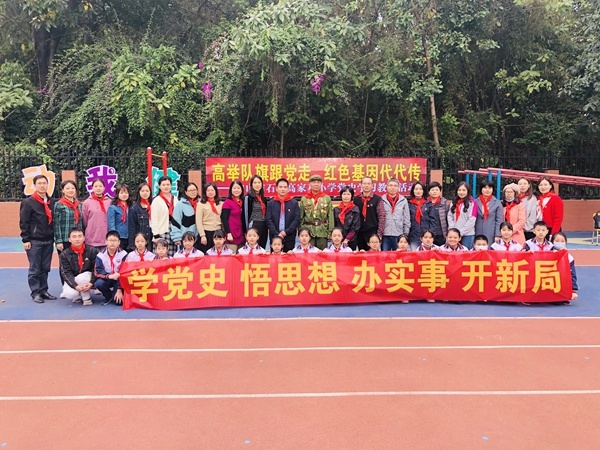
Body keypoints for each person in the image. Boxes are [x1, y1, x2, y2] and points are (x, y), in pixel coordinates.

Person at [20, 174, 56, 303]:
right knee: (35, 268)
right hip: (34, 240)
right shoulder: (28, 202)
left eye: (44, 183)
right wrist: (26, 239)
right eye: (39, 183)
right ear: (34, 186)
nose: (42, 186)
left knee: (45, 267)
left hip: (48, 239)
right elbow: (24, 222)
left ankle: (43, 290)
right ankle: (35, 292)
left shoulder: (52, 202)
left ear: (48, 185)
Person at [59, 227, 99, 306]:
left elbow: (96, 269)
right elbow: (66, 273)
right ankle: (79, 294)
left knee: (82, 278)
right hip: (74, 279)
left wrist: (91, 283)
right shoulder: (64, 255)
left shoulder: (92, 251)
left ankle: (86, 298)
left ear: (84, 238)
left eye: (80, 236)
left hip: (87, 277)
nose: (77, 239)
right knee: (69, 294)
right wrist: (75, 286)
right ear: (69, 239)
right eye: (74, 237)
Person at [53, 180, 83, 275]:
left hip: (77, 239)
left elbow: (81, 222)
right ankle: (66, 282)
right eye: (68, 188)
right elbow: (56, 223)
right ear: (63, 190)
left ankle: (75, 282)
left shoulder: (79, 204)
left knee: (77, 262)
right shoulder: (59, 204)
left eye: (73, 188)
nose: (70, 190)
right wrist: (58, 241)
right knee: (65, 264)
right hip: (65, 239)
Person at [299, 174, 334, 250]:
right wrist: (301, 231)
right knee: (309, 253)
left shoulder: (327, 198)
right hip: (308, 231)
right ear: (310, 184)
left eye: (318, 182)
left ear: (321, 184)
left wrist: (330, 232)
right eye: (314, 182)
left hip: (322, 231)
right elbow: (301, 217)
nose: (316, 184)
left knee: (322, 253)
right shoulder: (304, 199)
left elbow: (330, 217)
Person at [266, 178, 300, 253]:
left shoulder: (294, 203)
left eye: (285, 187)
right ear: (276, 188)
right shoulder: (271, 203)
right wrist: (277, 234)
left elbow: (297, 219)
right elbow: (268, 220)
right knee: (275, 258)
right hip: (274, 237)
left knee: (289, 257)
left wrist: (286, 232)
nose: (283, 189)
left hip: (289, 236)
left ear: (288, 189)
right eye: (280, 187)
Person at [94, 231, 127, 305]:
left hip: (119, 279)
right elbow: (97, 272)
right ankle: (108, 296)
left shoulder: (124, 254)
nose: (112, 243)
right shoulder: (100, 255)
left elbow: (125, 272)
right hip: (107, 278)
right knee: (99, 283)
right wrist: (109, 276)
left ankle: (116, 293)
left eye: (115, 240)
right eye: (110, 240)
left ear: (119, 242)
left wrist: (119, 289)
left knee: (119, 302)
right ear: (106, 242)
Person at [354, 177, 385, 251]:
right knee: (362, 254)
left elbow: (382, 217)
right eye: (364, 183)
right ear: (361, 185)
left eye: (368, 183)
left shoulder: (377, 199)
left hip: (373, 231)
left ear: (372, 185)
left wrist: (379, 234)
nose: (366, 185)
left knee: (373, 254)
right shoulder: (356, 199)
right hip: (360, 232)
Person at [381, 178, 410, 251]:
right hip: (385, 234)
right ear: (387, 187)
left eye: (395, 186)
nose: (392, 187)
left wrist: (405, 233)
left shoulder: (403, 200)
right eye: (390, 185)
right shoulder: (381, 200)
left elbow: (406, 218)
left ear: (398, 187)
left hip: (398, 234)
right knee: (385, 255)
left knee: (398, 255)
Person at [151, 176, 178, 257]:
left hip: (173, 230)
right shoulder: (156, 200)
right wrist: (156, 235)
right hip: (162, 231)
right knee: (161, 255)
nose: (166, 187)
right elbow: (154, 219)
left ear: (171, 185)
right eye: (163, 185)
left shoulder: (175, 199)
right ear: (159, 186)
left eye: (168, 184)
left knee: (172, 255)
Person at [82, 178, 111, 250]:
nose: (98, 188)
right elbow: (85, 221)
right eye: (96, 186)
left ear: (104, 187)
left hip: (106, 237)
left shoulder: (109, 202)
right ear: (92, 188)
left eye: (100, 186)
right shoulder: (87, 202)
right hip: (92, 238)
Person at [242, 175, 270, 249]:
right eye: (255, 183)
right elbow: (245, 215)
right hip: (254, 224)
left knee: (262, 248)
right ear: (251, 185)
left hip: (264, 225)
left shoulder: (263, 198)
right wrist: (246, 230)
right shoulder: (248, 197)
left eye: (259, 182)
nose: (257, 185)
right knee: (253, 248)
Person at [447, 182, 476, 249]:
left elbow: (472, 220)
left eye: (464, 190)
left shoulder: (472, 203)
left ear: (468, 191)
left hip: (467, 234)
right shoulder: (454, 202)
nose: (461, 192)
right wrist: (452, 229)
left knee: (466, 254)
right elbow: (450, 216)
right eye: (459, 190)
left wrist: (460, 233)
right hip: (453, 235)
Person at [551, 232, 578, 303]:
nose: (560, 243)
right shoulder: (547, 253)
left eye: (562, 241)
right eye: (557, 241)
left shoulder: (569, 257)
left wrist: (573, 290)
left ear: (566, 243)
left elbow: (572, 274)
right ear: (552, 241)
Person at [196, 182, 222, 254]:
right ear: (205, 192)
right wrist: (202, 235)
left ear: (216, 191)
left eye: (212, 190)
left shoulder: (220, 203)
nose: (210, 192)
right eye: (208, 190)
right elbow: (198, 221)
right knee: (206, 254)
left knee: (217, 253)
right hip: (206, 232)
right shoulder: (201, 204)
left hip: (218, 232)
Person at [475, 180, 503, 246]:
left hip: (491, 232)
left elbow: (499, 220)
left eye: (490, 188)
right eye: (485, 188)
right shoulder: (475, 202)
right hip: (477, 231)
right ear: (481, 189)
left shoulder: (497, 203)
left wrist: (497, 235)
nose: (487, 190)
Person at [171, 182, 200, 249]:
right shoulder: (180, 205)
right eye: (190, 190)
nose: (193, 192)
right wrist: (177, 237)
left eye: (194, 190)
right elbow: (176, 222)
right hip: (186, 239)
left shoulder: (201, 203)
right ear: (186, 192)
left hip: (199, 239)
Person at [407, 181, 435, 250]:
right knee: (414, 254)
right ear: (413, 190)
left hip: (426, 236)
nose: (418, 191)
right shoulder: (408, 203)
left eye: (420, 189)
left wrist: (431, 234)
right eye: (416, 189)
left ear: (423, 191)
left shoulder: (428, 204)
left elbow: (433, 220)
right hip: (413, 236)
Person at [333, 185, 361, 250]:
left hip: (351, 240)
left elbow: (355, 226)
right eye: (344, 194)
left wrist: (347, 239)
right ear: (341, 195)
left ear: (352, 196)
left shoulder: (355, 209)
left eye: (348, 194)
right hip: (338, 239)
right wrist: (337, 237)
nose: (346, 196)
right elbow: (334, 225)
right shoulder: (336, 209)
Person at [221, 180, 245, 253]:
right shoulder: (227, 202)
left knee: (241, 256)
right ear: (231, 190)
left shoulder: (243, 201)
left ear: (242, 189)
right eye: (234, 188)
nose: (236, 190)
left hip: (241, 233)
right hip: (231, 233)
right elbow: (224, 218)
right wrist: (228, 233)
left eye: (238, 188)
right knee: (231, 256)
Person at [128, 182, 153, 252]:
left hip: (152, 240)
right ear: (139, 192)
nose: (145, 193)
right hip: (140, 241)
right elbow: (131, 227)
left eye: (147, 191)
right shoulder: (134, 208)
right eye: (142, 191)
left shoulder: (153, 205)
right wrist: (132, 244)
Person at [107, 183, 133, 251]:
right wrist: (114, 238)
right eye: (121, 193)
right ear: (117, 194)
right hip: (119, 237)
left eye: (126, 193)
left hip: (130, 237)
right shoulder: (113, 208)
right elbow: (111, 224)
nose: (124, 195)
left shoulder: (131, 207)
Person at [517, 177, 541, 242]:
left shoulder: (532, 198)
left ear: (528, 185)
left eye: (525, 184)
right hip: (516, 229)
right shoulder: (515, 198)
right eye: (520, 184)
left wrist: (523, 227)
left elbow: (532, 216)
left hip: (528, 230)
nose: (522, 186)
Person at [427, 182, 450, 247]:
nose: (435, 192)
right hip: (428, 234)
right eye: (432, 190)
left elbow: (448, 218)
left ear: (440, 192)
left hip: (441, 233)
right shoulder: (425, 203)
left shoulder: (444, 203)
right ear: (429, 192)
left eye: (437, 190)